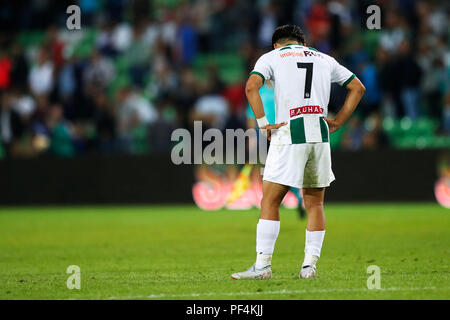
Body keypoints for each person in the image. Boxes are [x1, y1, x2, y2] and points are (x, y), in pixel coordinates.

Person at [231, 25, 365, 280]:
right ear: (303, 43)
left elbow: (251, 87)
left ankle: (262, 267)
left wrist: (262, 124)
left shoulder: (272, 57)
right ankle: (309, 268)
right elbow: (358, 88)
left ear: (276, 45)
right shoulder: (325, 58)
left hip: (289, 133)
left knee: (270, 200)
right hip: (320, 134)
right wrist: (338, 121)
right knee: (315, 202)